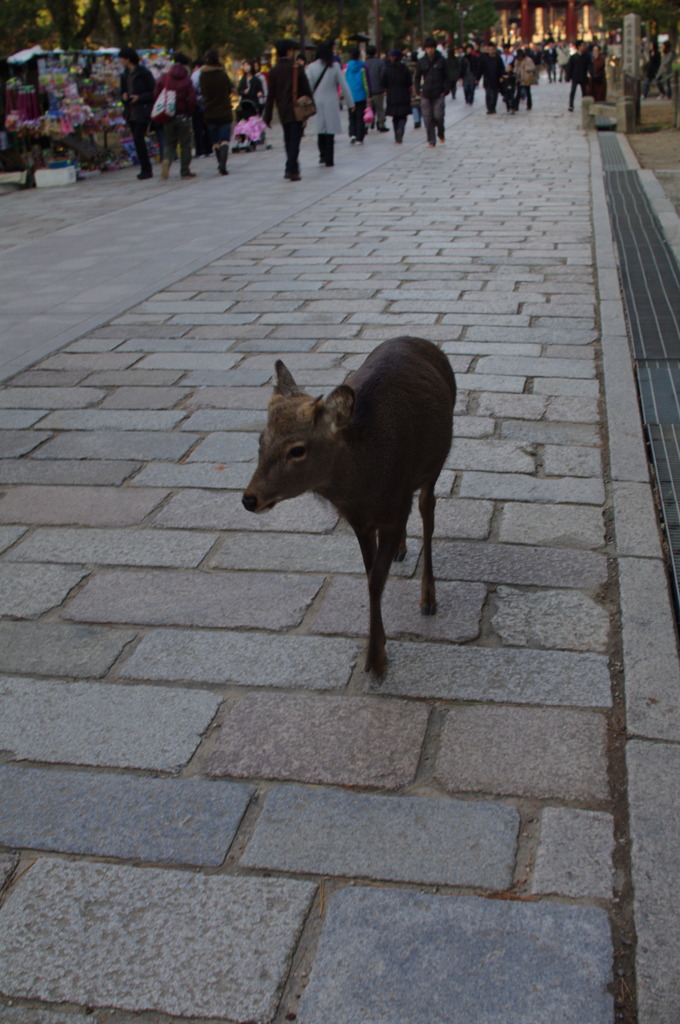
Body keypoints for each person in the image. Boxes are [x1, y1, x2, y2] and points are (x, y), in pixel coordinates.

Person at [263, 38, 312, 181]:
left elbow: (270, 95)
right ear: (289, 51)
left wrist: (267, 115)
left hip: (282, 109)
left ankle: (293, 168)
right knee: (295, 140)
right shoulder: (296, 68)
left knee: (288, 139)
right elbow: (306, 89)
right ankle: (291, 168)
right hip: (296, 109)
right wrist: (310, 105)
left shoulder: (273, 71)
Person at [306, 41, 354, 166]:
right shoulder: (335, 66)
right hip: (331, 101)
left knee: (320, 129)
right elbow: (344, 85)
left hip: (317, 101)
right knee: (330, 131)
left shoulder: (311, 67)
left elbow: (308, 87)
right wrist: (350, 104)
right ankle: (329, 158)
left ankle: (322, 155)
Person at [154, 52, 197, 179]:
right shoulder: (187, 80)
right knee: (185, 144)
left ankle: (166, 160)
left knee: (169, 142)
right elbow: (192, 99)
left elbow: (156, 94)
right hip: (183, 115)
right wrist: (189, 113)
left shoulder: (164, 78)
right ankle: (185, 171)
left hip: (168, 115)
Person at [118, 46, 156, 180]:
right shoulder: (124, 75)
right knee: (137, 139)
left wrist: (139, 98)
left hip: (142, 110)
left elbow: (153, 92)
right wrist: (123, 96)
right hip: (131, 112)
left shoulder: (143, 73)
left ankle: (146, 169)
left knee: (139, 138)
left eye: (122, 58)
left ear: (128, 59)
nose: (120, 61)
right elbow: (122, 91)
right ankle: (144, 168)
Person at [200, 48, 233, 175]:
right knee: (224, 139)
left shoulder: (203, 76)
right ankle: (223, 164)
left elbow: (203, 92)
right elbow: (229, 88)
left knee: (215, 141)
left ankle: (220, 162)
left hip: (210, 111)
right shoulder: (222, 74)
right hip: (224, 110)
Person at [415, 37, 450, 146]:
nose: (430, 50)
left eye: (432, 48)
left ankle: (440, 132)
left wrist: (445, 90)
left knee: (438, 115)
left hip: (439, 92)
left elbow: (447, 76)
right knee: (427, 117)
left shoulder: (441, 61)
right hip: (426, 93)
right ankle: (431, 139)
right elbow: (417, 77)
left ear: (435, 48)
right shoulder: (422, 61)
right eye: (428, 48)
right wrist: (417, 90)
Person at [381, 49, 412, 143]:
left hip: (391, 95)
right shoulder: (404, 68)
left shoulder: (387, 69)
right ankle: (401, 128)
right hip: (403, 94)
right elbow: (409, 82)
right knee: (403, 115)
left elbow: (383, 82)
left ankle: (396, 134)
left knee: (395, 117)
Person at [344, 47, 369, 142]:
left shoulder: (346, 67)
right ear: (359, 55)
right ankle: (360, 137)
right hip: (361, 94)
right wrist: (368, 94)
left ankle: (352, 134)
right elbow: (367, 81)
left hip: (350, 95)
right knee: (360, 116)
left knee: (351, 116)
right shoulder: (363, 66)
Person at [365, 45, 388, 130]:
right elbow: (383, 75)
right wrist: (384, 87)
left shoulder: (364, 63)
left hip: (367, 91)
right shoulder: (380, 63)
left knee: (368, 108)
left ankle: (367, 124)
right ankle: (381, 124)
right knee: (380, 108)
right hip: (378, 89)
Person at [481, 43, 506, 114]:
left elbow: (502, 68)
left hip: (496, 79)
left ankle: (493, 107)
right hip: (487, 79)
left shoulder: (498, 58)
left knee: (494, 94)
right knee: (488, 94)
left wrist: (501, 76)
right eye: (489, 49)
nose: (491, 51)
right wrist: (477, 78)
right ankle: (489, 108)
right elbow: (481, 68)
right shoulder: (485, 58)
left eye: (492, 49)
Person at [566, 40, 589, 111]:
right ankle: (571, 105)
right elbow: (570, 67)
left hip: (583, 76)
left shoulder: (586, 56)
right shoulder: (573, 57)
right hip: (575, 76)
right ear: (579, 47)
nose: (584, 47)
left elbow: (589, 66)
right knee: (573, 91)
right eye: (582, 45)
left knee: (584, 92)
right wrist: (568, 76)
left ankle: (585, 105)